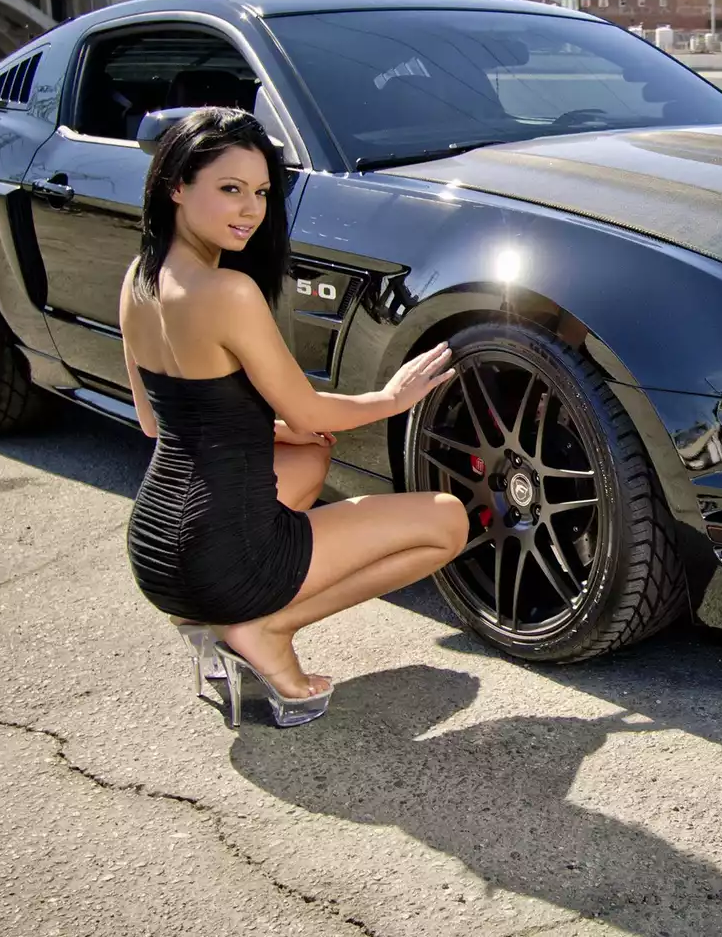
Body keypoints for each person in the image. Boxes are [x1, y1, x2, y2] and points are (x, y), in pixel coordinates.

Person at [118, 107, 466, 728]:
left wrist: (273, 430)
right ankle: (267, 629)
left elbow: (154, 421)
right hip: (224, 555)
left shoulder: (139, 280)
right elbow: (305, 406)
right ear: (176, 185)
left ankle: (227, 616)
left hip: (156, 549)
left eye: (259, 192)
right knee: (448, 521)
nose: (250, 210)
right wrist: (392, 398)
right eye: (229, 189)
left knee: (310, 450)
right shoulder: (227, 293)